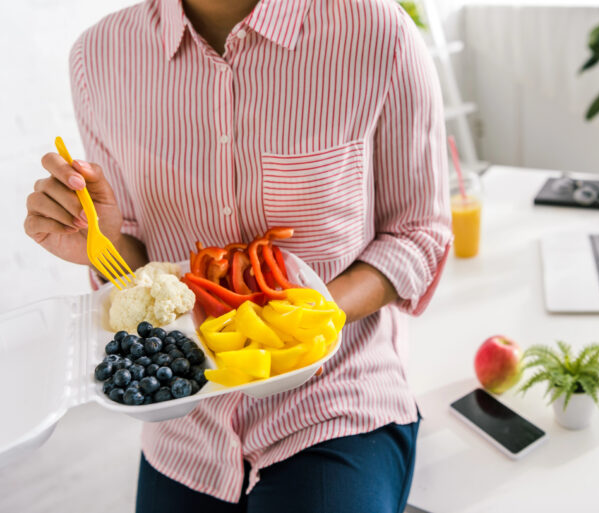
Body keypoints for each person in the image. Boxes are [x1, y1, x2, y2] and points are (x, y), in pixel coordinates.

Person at [24, 0, 451, 511]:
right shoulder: (98, 58)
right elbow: (141, 258)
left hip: (336, 396)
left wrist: (306, 326)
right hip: (183, 417)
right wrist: (102, 243)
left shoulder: (379, 34)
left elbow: (417, 233)